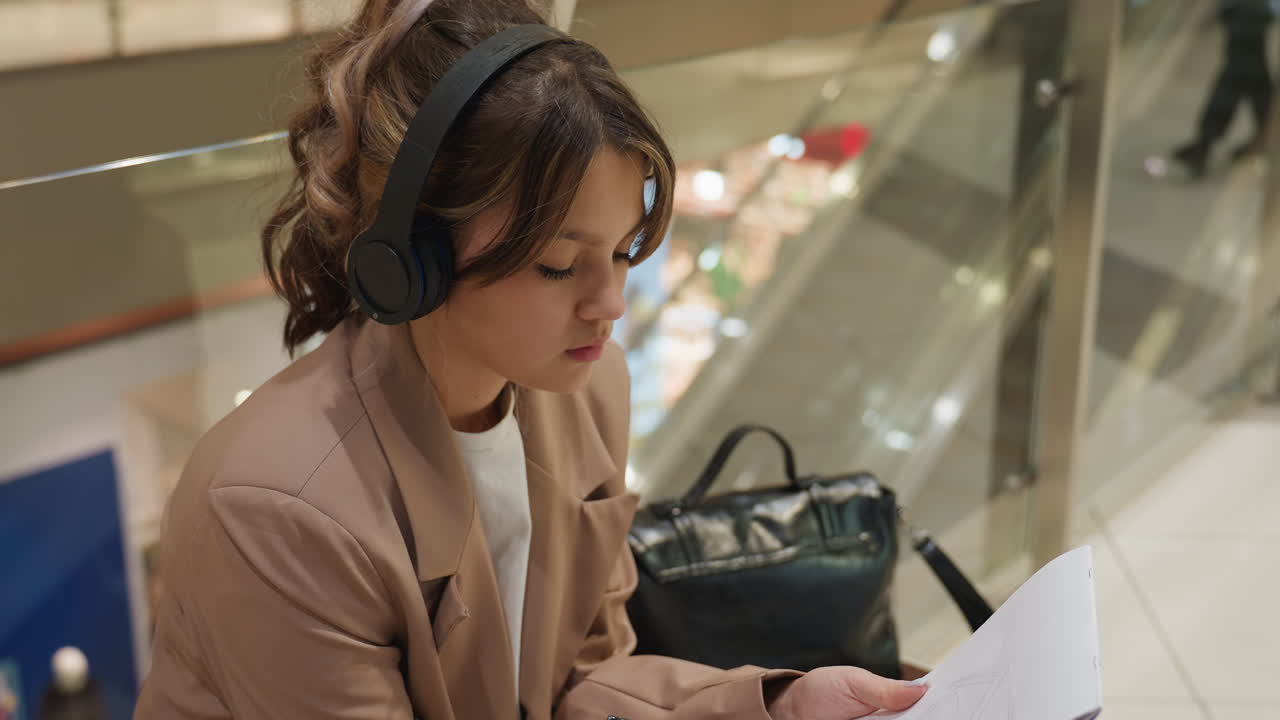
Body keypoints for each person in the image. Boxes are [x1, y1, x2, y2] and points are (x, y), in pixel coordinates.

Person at [133, 1, 928, 718]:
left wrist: (777, 707)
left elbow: (583, 680)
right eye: (558, 265)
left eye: (623, 253)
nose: (610, 303)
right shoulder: (278, 509)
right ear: (414, 259)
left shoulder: (587, 390)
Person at [1171, 0, 1275, 178]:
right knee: (1249, 79)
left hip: (1247, 13)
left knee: (1239, 78)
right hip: (1247, 13)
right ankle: (1260, 139)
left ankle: (1206, 144)